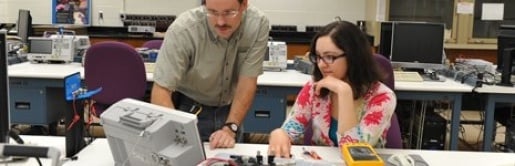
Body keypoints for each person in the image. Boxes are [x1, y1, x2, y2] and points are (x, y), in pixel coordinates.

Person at [151, 0, 269, 149]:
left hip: (231, 110)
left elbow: (247, 82)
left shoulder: (257, 24)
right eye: (212, 12)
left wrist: (230, 128)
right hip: (190, 110)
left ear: (244, 5)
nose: (220, 22)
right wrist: (181, 136)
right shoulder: (184, 29)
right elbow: (160, 91)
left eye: (229, 13)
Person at [268, 20, 396, 157]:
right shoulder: (315, 86)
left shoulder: (382, 97)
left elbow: (356, 154)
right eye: (318, 57)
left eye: (330, 57)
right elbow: (291, 129)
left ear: (354, 56)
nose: (322, 65)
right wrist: (279, 134)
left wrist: (344, 92)